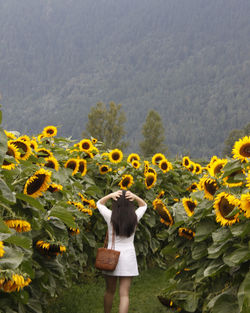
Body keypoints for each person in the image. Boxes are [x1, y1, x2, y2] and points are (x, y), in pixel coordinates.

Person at [97, 189, 147, 313]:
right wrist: (135, 196)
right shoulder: (135, 216)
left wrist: (110, 195)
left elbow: (99, 203)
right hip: (128, 257)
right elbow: (144, 205)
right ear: (131, 204)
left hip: (111, 256)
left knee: (109, 291)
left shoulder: (110, 216)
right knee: (124, 294)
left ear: (115, 203)